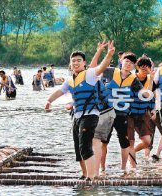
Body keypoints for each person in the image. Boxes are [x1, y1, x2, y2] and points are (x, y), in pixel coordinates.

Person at [44, 41, 115, 180]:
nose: (75, 63)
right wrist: (48, 101)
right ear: (70, 64)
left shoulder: (90, 74)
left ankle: (92, 177)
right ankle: (84, 174)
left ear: (84, 63)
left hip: (90, 115)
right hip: (77, 116)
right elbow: (59, 92)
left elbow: (101, 67)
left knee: (85, 147)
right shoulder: (69, 80)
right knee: (78, 149)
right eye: (73, 61)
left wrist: (109, 54)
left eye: (78, 60)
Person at [100, 52, 147, 171]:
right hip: (106, 113)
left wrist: (150, 78)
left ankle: (123, 168)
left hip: (122, 115)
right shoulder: (109, 71)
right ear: (121, 61)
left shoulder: (134, 80)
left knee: (124, 142)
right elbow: (96, 72)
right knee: (103, 142)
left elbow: (145, 94)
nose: (128, 64)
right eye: (126, 61)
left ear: (134, 66)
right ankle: (102, 169)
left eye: (131, 63)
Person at [130, 55, 157, 161]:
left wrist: (154, 109)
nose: (145, 69)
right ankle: (130, 158)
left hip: (144, 111)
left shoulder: (151, 80)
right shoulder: (132, 78)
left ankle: (131, 152)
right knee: (130, 140)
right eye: (142, 67)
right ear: (137, 67)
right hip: (131, 112)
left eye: (147, 67)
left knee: (147, 140)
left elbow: (152, 96)